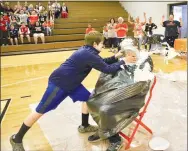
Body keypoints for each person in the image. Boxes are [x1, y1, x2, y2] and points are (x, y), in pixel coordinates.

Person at [10, 31, 136, 151]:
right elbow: (107, 69)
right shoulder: (88, 54)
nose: (103, 46)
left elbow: (101, 62)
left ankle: (84, 125)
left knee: (89, 100)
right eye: (102, 43)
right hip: (59, 84)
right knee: (40, 111)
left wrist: (116, 56)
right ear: (95, 44)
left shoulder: (88, 51)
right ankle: (17, 138)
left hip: (72, 83)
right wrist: (123, 61)